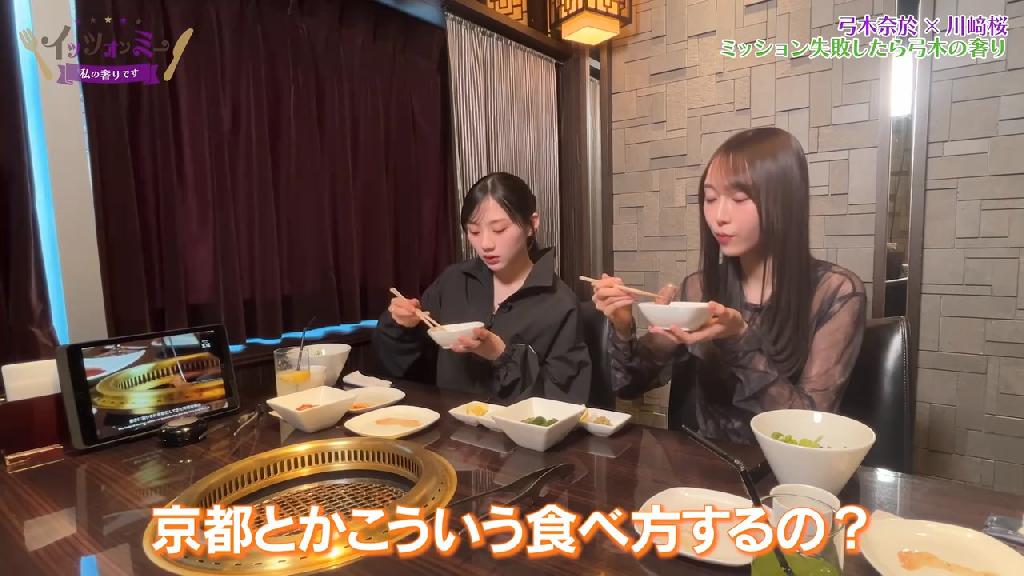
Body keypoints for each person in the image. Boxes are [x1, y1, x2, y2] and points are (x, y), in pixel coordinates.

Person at [592, 127, 867, 444]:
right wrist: (623, 325)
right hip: (705, 463)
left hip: (782, 469)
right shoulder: (699, 288)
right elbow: (628, 386)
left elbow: (807, 431)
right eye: (710, 198)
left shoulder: (835, 293)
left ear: (784, 201)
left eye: (739, 198)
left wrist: (739, 338)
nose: (718, 216)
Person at [373, 172, 592, 403]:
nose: (486, 244)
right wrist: (402, 325)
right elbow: (403, 367)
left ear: (532, 224)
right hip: (447, 422)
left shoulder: (559, 303)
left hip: (512, 427)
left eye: (499, 230)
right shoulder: (454, 281)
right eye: (474, 232)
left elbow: (565, 400)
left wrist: (501, 355)